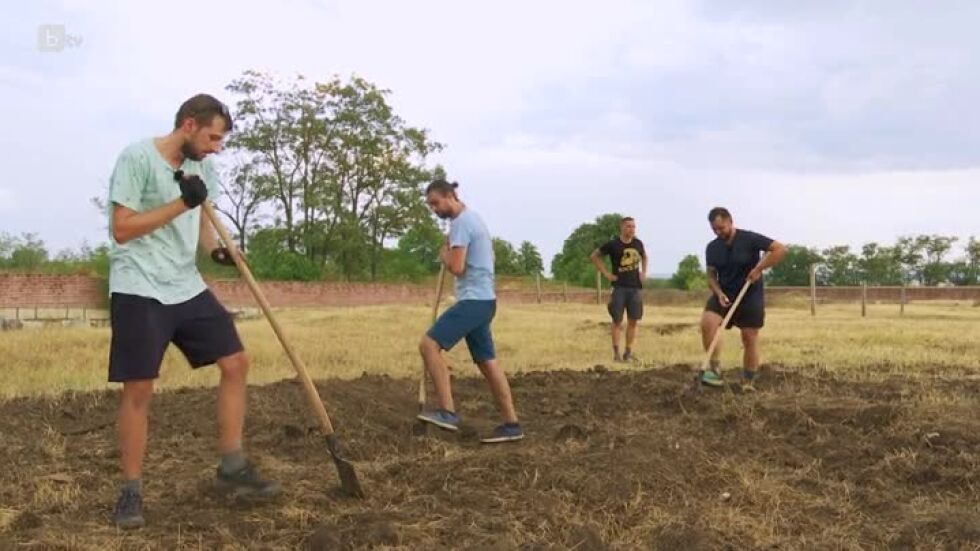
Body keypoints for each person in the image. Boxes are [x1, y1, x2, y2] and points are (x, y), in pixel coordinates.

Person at [106, 94, 279, 529]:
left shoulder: (204, 168)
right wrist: (179, 204)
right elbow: (122, 229)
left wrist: (221, 252)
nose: (216, 147)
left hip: (185, 284)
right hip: (139, 284)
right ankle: (130, 491)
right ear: (189, 125)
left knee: (236, 362)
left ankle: (232, 467)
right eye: (212, 137)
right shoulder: (137, 158)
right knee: (140, 388)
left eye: (220, 141)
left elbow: (204, 225)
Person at [416, 179, 523, 443]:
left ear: (450, 196)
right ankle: (512, 424)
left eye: (436, 203)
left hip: (473, 301)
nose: (434, 209)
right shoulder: (473, 220)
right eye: (430, 205)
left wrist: (444, 254)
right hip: (485, 300)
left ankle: (447, 412)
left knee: (429, 345)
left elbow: (458, 267)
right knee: (487, 362)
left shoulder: (462, 223)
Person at [700, 207, 787, 390]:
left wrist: (759, 269)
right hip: (724, 293)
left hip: (749, 294)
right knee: (708, 323)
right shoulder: (713, 247)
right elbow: (710, 275)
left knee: (749, 337)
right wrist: (718, 292)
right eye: (714, 229)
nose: (718, 232)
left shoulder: (750, 239)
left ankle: (748, 380)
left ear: (731, 221)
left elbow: (779, 249)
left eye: (721, 228)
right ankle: (714, 370)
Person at [590, 217, 648, 362]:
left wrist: (643, 272)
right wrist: (606, 273)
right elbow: (595, 256)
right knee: (617, 320)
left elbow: (645, 256)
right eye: (628, 226)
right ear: (621, 227)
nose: (632, 229)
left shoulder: (638, 243)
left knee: (633, 321)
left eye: (634, 227)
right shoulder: (613, 244)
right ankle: (616, 354)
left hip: (635, 287)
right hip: (619, 287)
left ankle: (628, 352)